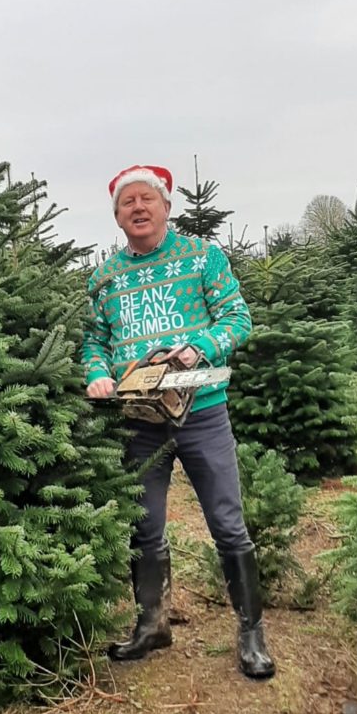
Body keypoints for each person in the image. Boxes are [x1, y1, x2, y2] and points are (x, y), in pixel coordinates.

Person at [82, 164, 275, 680]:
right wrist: (97, 373)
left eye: (147, 199)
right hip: (139, 418)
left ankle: (251, 632)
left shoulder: (203, 257)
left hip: (202, 409)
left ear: (167, 207)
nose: (138, 208)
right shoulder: (104, 277)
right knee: (145, 526)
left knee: (227, 524)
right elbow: (94, 341)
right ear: (118, 217)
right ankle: (152, 624)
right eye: (128, 203)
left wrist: (199, 348)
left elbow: (237, 318)